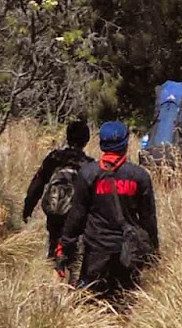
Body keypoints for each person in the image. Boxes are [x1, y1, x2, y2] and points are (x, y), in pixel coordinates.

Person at [57, 120, 159, 302]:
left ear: (102, 144)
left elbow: (77, 215)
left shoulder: (88, 173)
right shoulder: (139, 176)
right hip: (128, 252)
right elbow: (148, 218)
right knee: (125, 303)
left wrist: (64, 247)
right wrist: (153, 250)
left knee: (91, 302)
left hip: (96, 251)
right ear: (126, 144)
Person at [21, 119, 93, 263]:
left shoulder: (54, 158)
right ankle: (69, 274)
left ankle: (52, 270)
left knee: (54, 242)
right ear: (86, 140)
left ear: (67, 136)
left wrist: (28, 208)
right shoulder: (89, 164)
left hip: (55, 209)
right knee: (74, 248)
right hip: (76, 215)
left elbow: (38, 184)